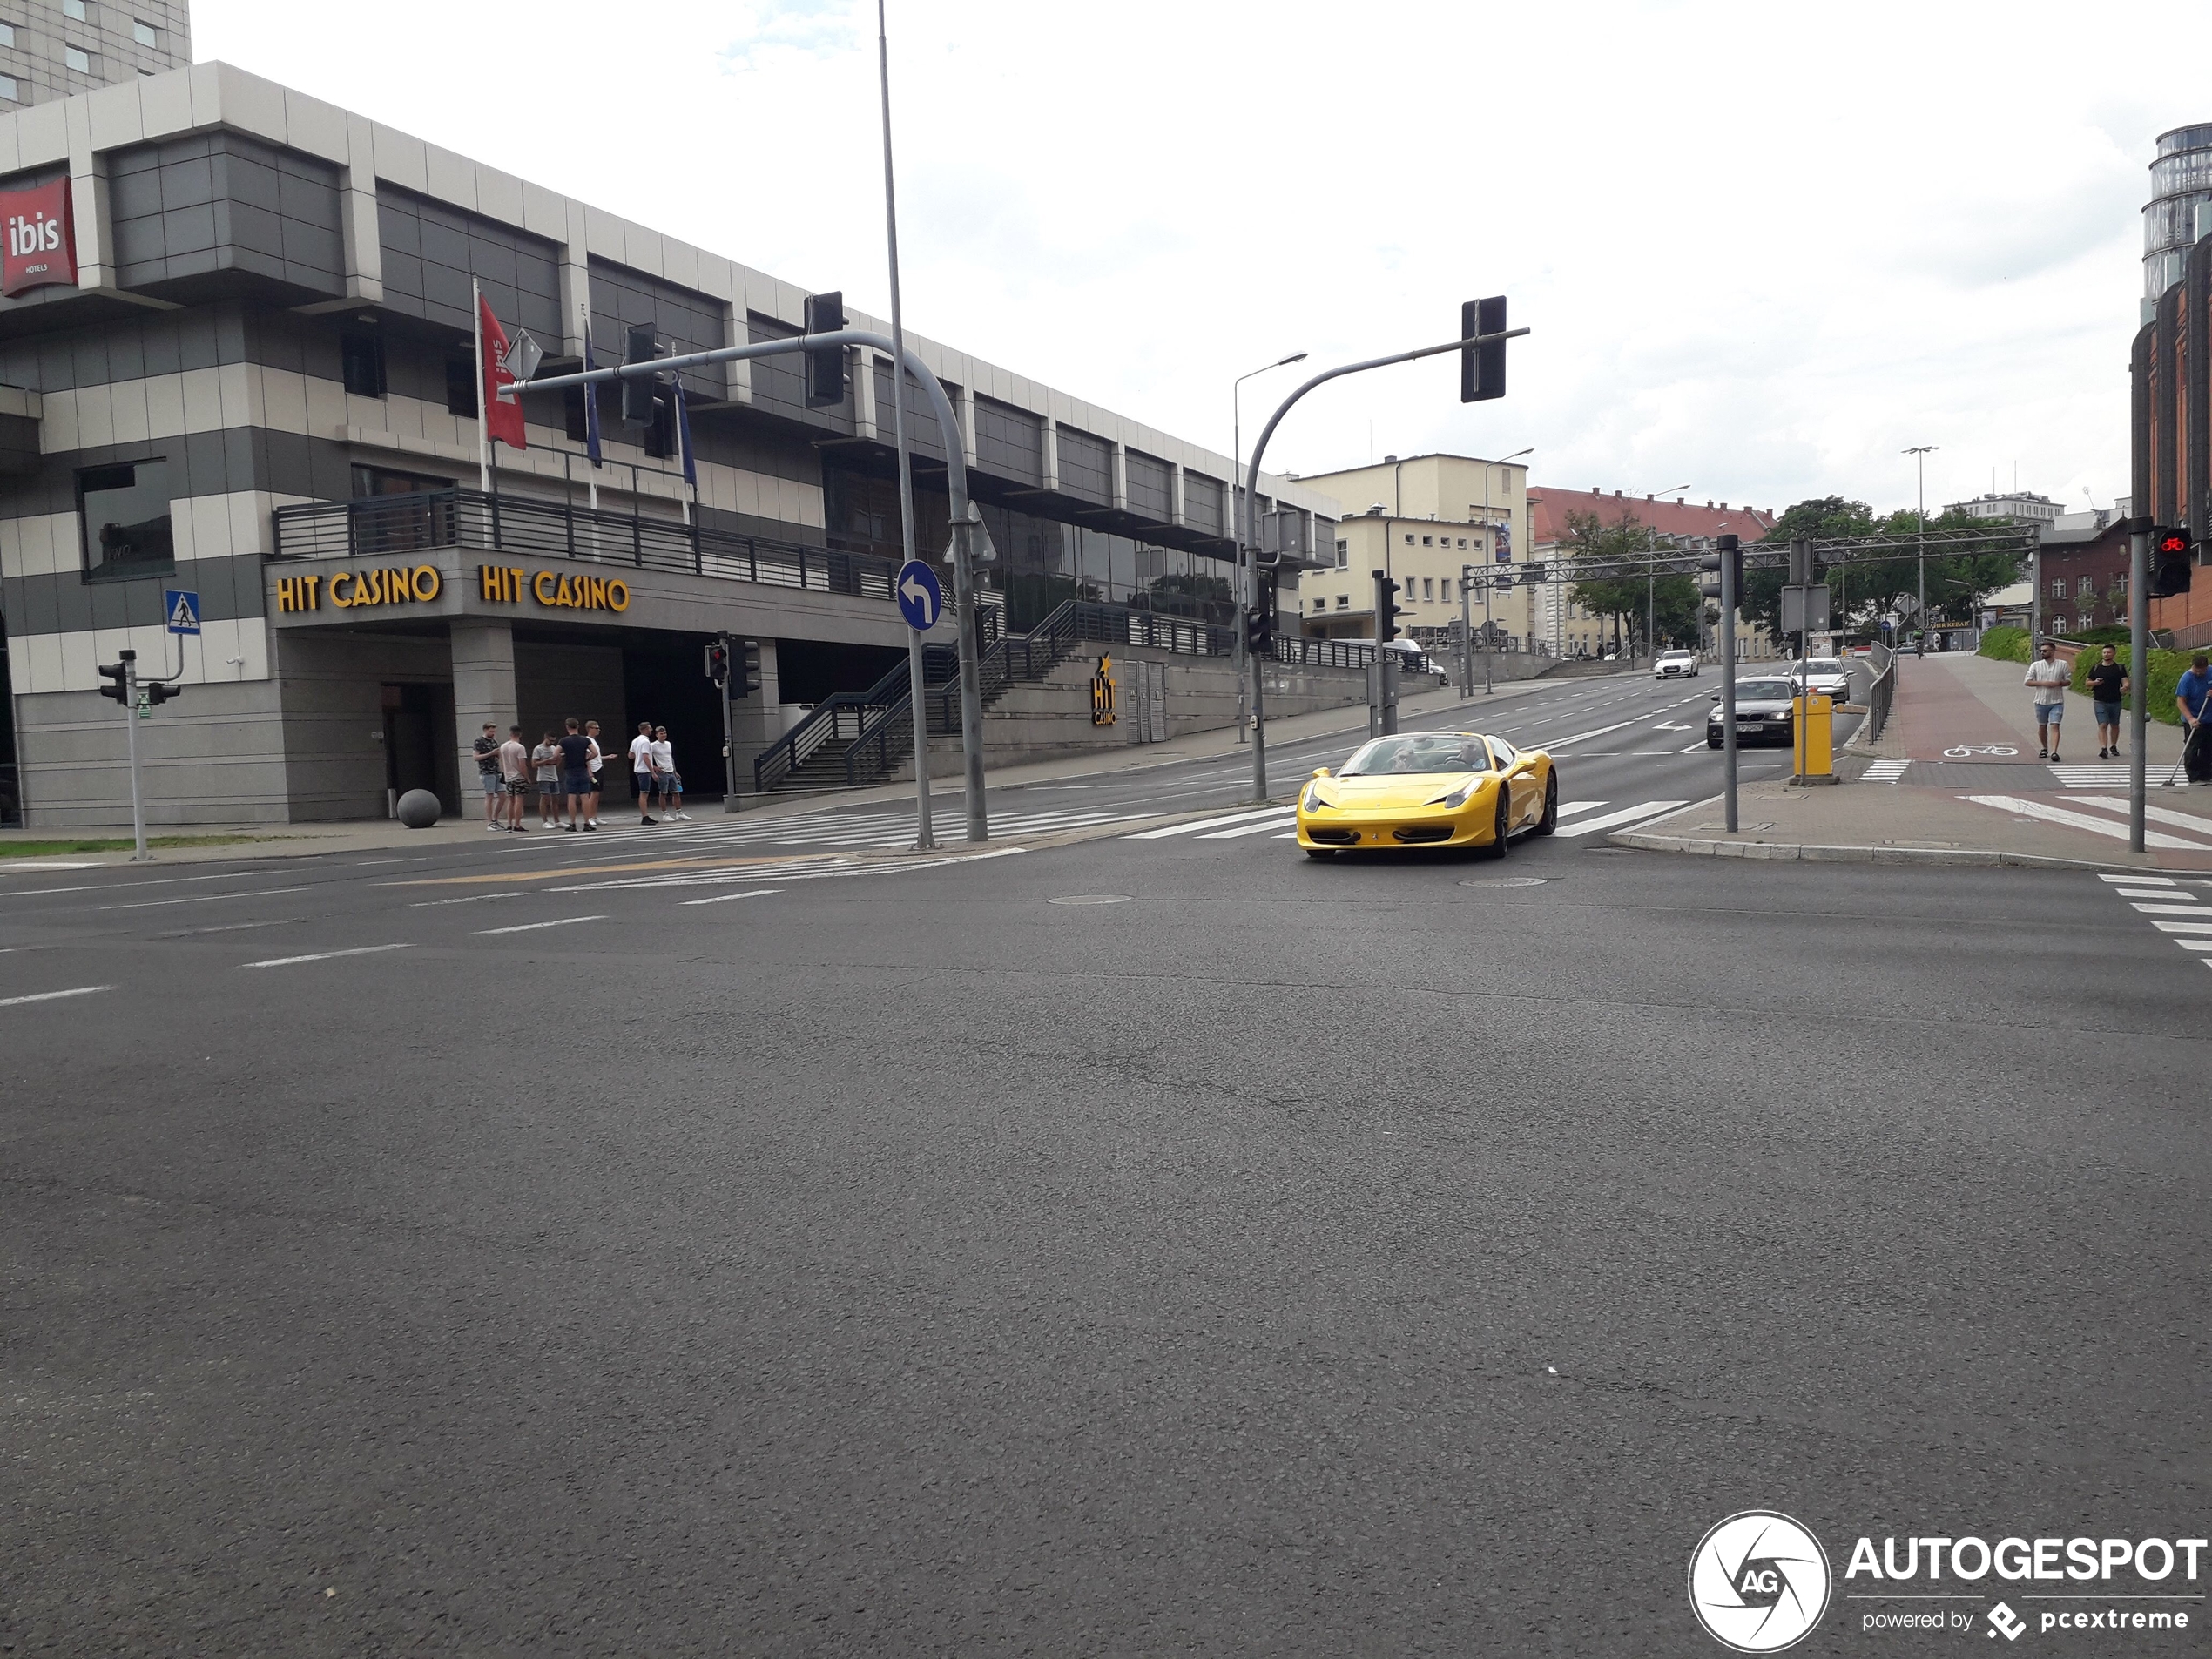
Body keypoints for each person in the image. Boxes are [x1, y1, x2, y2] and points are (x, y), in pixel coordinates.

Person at [2024, 640, 2070, 763]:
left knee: (2055, 725)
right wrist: (2042, 683)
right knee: (2042, 726)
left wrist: (2059, 683)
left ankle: (2054, 751)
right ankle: (2044, 748)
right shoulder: (2036, 665)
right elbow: (2027, 681)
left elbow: (2068, 680)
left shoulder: (2062, 664)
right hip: (2040, 701)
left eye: (2045, 651)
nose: (2042, 653)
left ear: (2053, 651)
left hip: (2057, 700)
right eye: (2041, 651)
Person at [2085, 644, 2128, 760]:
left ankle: (2113, 746)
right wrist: (2095, 683)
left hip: (2115, 700)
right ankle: (2103, 748)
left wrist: (2125, 687)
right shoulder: (2096, 668)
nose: (2106, 654)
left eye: (2109, 652)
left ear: (2114, 654)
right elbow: (2087, 682)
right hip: (2100, 700)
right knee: (2103, 724)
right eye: (2104, 652)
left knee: (2115, 724)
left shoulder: (2119, 668)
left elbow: (2125, 681)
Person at [2178, 653, 2212, 786]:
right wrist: (2190, 718)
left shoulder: (2211, 672)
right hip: (2193, 718)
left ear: (2206, 667)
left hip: (2209, 717)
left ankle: (2206, 774)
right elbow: (2181, 701)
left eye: (2201, 671)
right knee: (2192, 747)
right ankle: (2193, 776)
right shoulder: (2187, 679)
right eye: (2196, 671)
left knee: (2208, 747)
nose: (2198, 673)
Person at [556, 717, 596, 831]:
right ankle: (587, 823)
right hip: (582, 770)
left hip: (570, 771)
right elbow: (595, 752)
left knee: (571, 797)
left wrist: (563, 756)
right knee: (585, 797)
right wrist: (586, 760)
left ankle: (572, 823)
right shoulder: (585, 740)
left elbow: (555, 754)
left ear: (567, 727)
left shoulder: (564, 741)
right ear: (578, 727)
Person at [497, 725, 531, 831]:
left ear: (510, 734)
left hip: (508, 777)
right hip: (518, 777)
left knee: (510, 801)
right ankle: (517, 824)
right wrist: (527, 777)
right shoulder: (520, 748)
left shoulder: (503, 747)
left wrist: (505, 773)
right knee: (519, 800)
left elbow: (502, 762)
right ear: (520, 734)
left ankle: (509, 824)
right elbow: (522, 765)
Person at [651, 725, 688, 819]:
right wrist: (654, 768)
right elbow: (645, 757)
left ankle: (679, 812)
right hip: (662, 772)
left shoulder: (668, 744)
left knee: (676, 792)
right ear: (657, 735)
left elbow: (670, 758)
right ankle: (665, 814)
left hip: (671, 771)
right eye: (661, 734)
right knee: (663, 793)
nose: (664, 735)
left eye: (665, 733)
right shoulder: (653, 746)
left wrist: (675, 771)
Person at [473, 722, 502, 830]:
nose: (493, 733)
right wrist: (491, 753)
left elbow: (498, 756)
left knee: (503, 795)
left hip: (496, 771)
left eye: (494, 731)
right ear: (485, 730)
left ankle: (495, 819)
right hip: (486, 772)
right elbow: (476, 757)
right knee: (489, 795)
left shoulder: (494, 742)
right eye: (491, 731)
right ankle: (489, 822)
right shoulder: (479, 741)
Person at [629, 720, 658, 824]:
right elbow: (646, 757)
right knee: (644, 793)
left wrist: (638, 756)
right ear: (645, 729)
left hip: (638, 769)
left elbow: (630, 755)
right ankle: (644, 816)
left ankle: (646, 816)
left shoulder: (635, 740)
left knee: (644, 792)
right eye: (650, 728)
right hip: (644, 770)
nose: (651, 730)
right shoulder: (645, 742)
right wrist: (653, 772)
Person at [530, 731, 563, 827]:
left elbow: (557, 764)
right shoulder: (538, 749)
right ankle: (545, 821)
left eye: (553, 741)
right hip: (543, 777)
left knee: (555, 798)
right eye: (550, 740)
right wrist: (546, 761)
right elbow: (534, 764)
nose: (552, 743)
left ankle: (557, 821)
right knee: (545, 798)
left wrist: (558, 759)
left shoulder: (554, 748)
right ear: (546, 738)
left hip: (553, 776)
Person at [583, 720, 605, 829]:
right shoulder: (587, 741)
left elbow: (596, 756)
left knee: (597, 794)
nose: (598, 730)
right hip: (593, 769)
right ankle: (590, 817)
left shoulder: (594, 741)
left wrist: (607, 758)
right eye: (596, 728)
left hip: (598, 767)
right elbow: (587, 757)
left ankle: (594, 816)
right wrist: (589, 772)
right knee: (593, 793)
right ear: (590, 728)